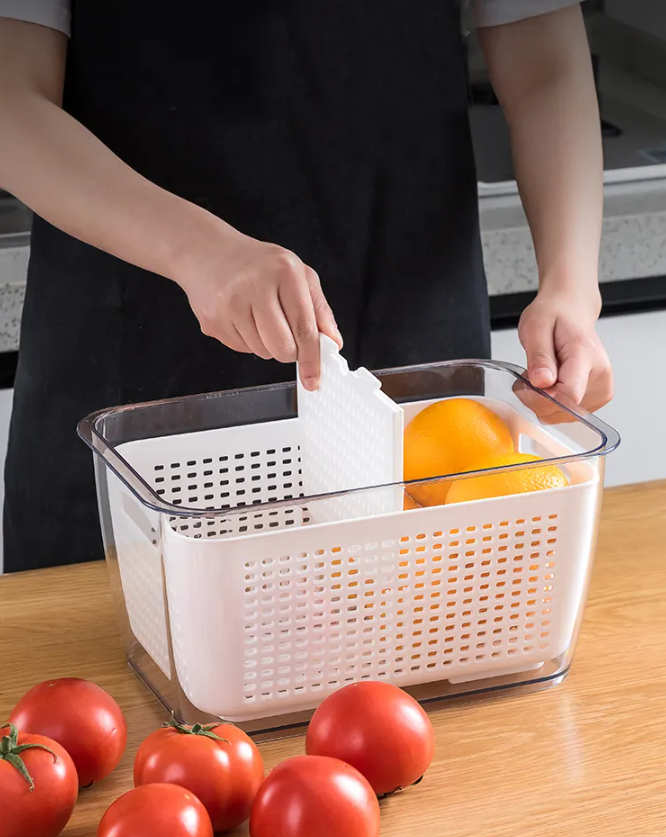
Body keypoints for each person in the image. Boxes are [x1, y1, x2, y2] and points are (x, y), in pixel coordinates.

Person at [0, 0, 613, 573]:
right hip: (134, 338)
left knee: (433, 636)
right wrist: (193, 248)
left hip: (414, 347)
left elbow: (544, 62)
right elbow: (11, 96)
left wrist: (571, 284)